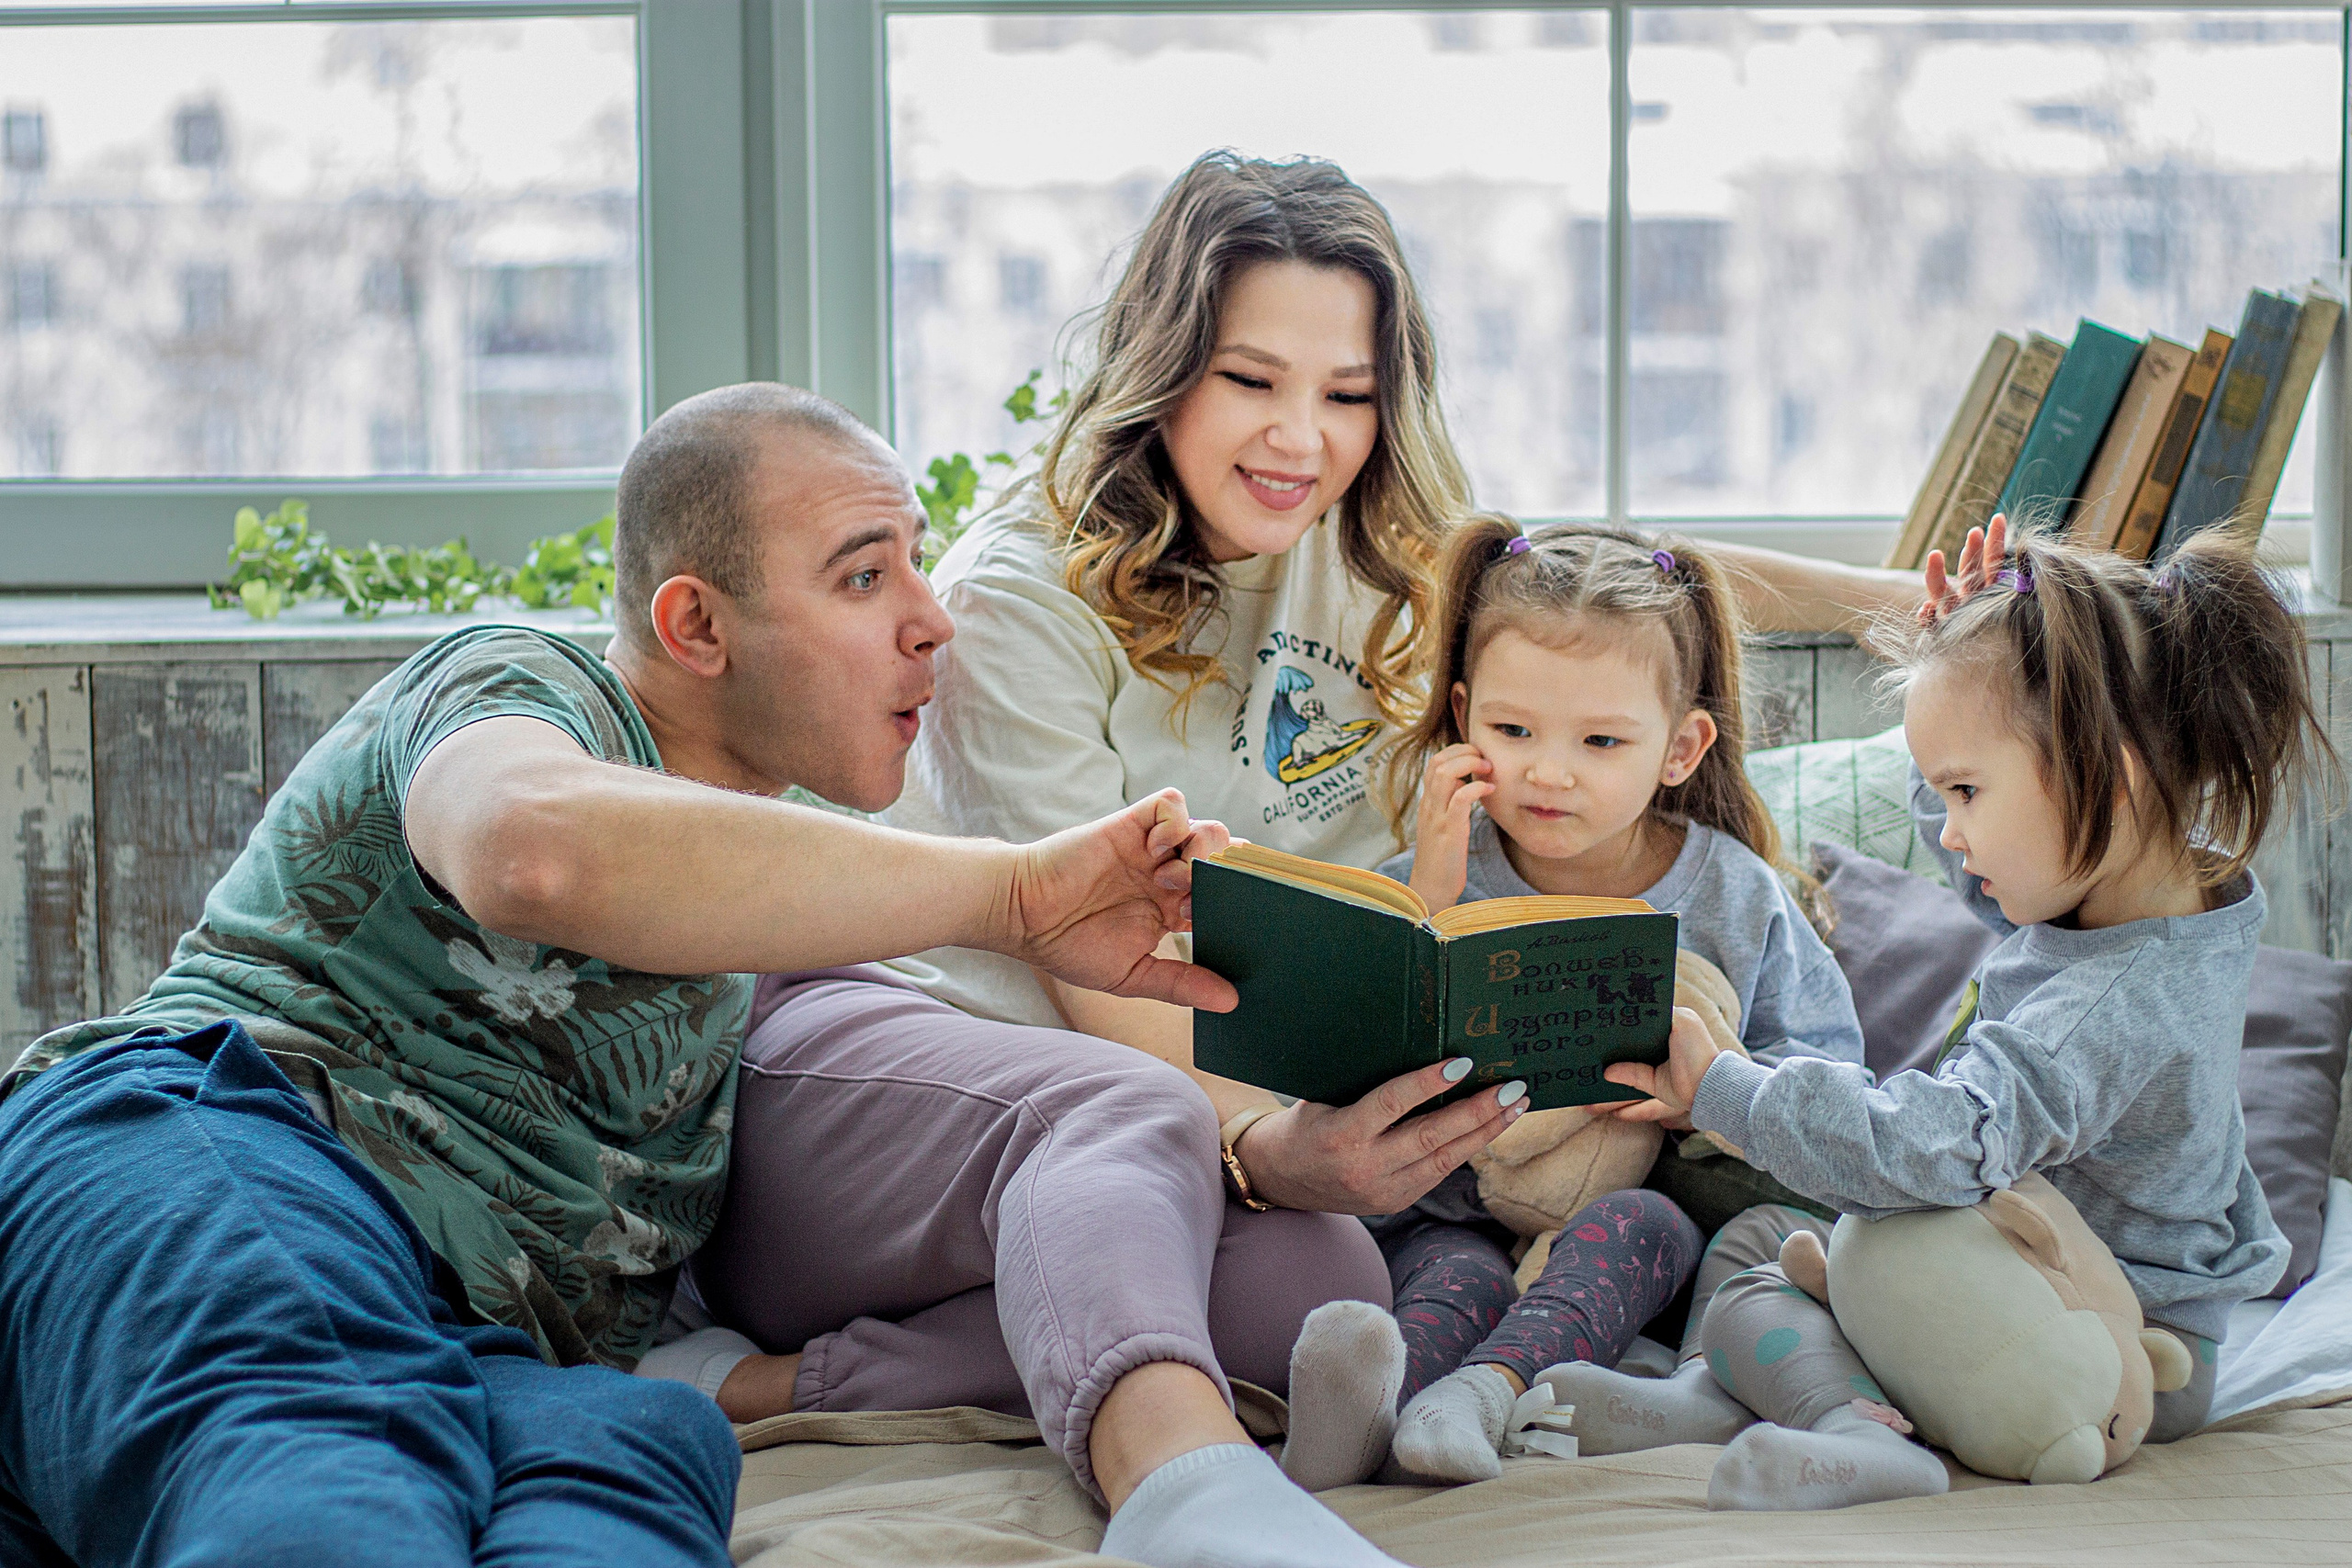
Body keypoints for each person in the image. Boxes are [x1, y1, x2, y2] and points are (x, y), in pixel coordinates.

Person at [0, 384, 1247, 1568]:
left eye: (918, 560)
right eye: (866, 574)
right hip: (229, 1139)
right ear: (695, 624)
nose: (934, 617)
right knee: (329, 1482)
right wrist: (1014, 895)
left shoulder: (787, 888)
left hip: (506, 1354)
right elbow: (529, 845)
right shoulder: (522, 683)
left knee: (641, 1463)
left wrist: (1264, 1145)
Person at [1598, 521, 2322, 1510]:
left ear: (2105, 777)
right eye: (1943, 792)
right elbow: (2004, 873)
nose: (1947, 830)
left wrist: (1729, 1090)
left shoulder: (2109, 1000)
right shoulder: (2143, 889)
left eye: (1966, 792)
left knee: (1883, 1235)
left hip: (2102, 1349)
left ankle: (1854, 1429)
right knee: (1759, 1249)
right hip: (2024, 1299)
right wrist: (1970, 680)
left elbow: (1937, 1151)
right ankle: (1723, 1390)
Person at [1275, 517, 1868, 1488]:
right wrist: (1421, 898)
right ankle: (1363, 1418)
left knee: (1640, 1226)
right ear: (1464, 718)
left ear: (1680, 748)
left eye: (1600, 740)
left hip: (1637, 1225)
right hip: (1448, 1212)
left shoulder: (1731, 894)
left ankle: (1487, 1393)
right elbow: (1326, 1065)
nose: (1549, 771)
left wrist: (1707, 1097)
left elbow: (1831, 1087)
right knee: (1452, 1271)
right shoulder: (1425, 875)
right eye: (1512, 732)